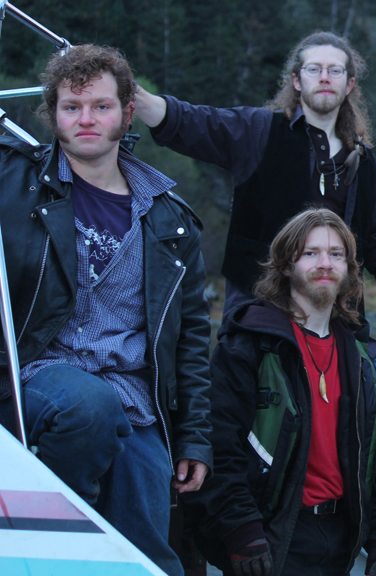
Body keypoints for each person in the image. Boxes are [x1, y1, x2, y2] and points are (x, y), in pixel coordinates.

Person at [0, 45, 212, 576]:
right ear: (52, 114)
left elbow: (191, 337)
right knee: (88, 409)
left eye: (101, 106)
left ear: (127, 111)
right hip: (35, 375)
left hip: (135, 397)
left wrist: (193, 437)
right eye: (71, 107)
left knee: (149, 556)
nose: (86, 119)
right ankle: (55, 543)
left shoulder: (170, 218)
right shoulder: (13, 181)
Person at [133, 31, 376, 418]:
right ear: (296, 80)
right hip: (260, 322)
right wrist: (129, 93)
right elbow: (188, 122)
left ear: (350, 84)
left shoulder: (364, 163)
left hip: (343, 324)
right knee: (261, 426)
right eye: (314, 69)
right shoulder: (257, 131)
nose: (325, 76)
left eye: (335, 70)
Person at [181, 208, 376, 576]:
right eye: (310, 253)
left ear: (349, 268)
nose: (325, 263)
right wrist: (241, 529)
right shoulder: (249, 344)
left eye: (336, 254)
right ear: (286, 266)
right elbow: (219, 445)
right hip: (265, 540)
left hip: (338, 542)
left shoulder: (359, 356)